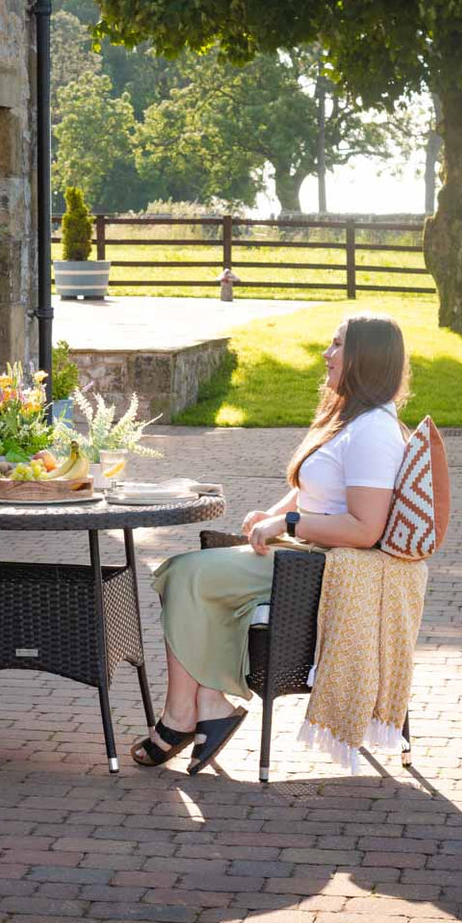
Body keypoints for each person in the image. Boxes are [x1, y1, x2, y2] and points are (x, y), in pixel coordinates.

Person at [134, 312, 410, 775]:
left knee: (183, 572)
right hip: (300, 553)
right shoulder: (349, 419)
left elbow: (366, 528)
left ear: (364, 357)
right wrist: (273, 514)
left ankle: (187, 713)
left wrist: (290, 522)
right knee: (190, 574)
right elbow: (314, 486)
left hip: (324, 568)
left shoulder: (375, 432)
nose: (327, 354)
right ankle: (203, 704)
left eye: (337, 344)